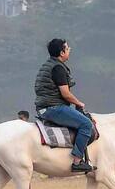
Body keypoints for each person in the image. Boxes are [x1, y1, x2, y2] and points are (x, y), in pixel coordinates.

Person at [34, 38, 94, 173]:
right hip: (53, 107)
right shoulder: (58, 68)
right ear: (61, 53)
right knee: (86, 125)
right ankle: (77, 161)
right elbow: (66, 94)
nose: (69, 50)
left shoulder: (48, 65)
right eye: (67, 48)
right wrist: (79, 103)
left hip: (45, 106)